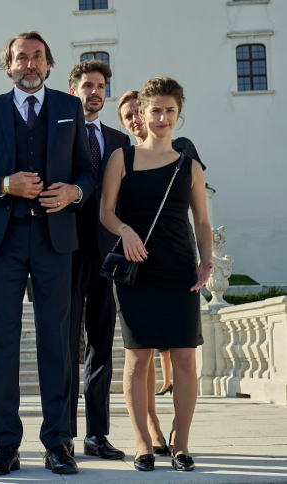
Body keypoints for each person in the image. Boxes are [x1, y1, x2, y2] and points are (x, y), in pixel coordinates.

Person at [0, 32, 96, 476]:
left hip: (56, 240)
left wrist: (75, 192)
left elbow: (87, 170)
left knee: (56, 342)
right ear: (9, 66)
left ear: (49, 64)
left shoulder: (70, 107)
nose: (30, 64)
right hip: (5, 240)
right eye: (21, 57)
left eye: (37, 57)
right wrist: (3, 184)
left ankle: (58, 442)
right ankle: (5, 444)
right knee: (2, 343)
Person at [101, 78, 213, 472]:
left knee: (184, 358)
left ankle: (181, 444)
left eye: (170, 111)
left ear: (178, 115)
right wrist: (125, 231)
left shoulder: (190, 166)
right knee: (137, 357)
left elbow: (201, 221)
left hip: (180, 270)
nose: (162, 117)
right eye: (155, 110)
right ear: (143, 113)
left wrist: (207, 260)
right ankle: (142, 442)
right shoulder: (122, 158)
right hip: (136, 272)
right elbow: (106, 212)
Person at [66, 59, 129, 461]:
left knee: (101, 345)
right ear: (73, 90)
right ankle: (64, 434)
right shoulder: (59, 133)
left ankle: (97, 434)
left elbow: (126, 197)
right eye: (87, 85)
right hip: (66, 253)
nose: (95, 92)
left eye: (100, 86)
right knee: (66, 346)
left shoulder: (119, 140)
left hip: (108, 257)